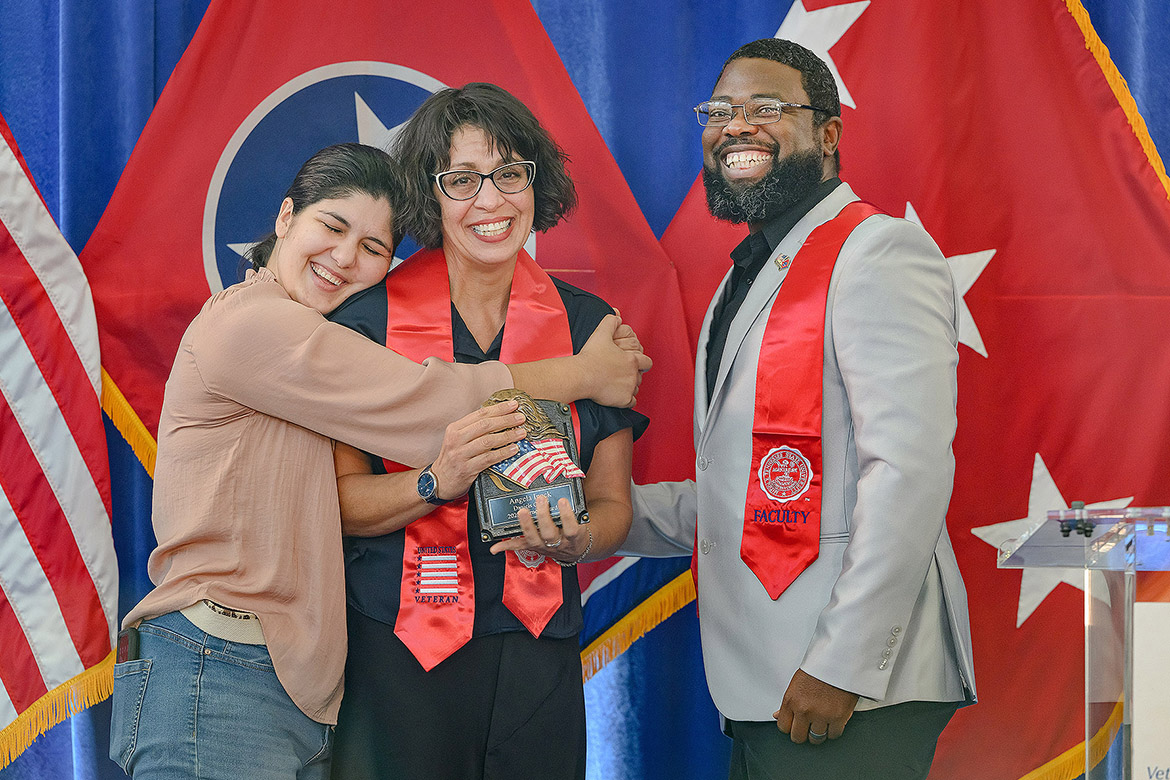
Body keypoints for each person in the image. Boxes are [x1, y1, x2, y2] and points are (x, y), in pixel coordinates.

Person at [108, 143, 649, 780]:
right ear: (286, 217)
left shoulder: (320, 336)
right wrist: (586, 373)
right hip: (217, 662)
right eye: (332, 227)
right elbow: (429, 397)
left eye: (372, 248)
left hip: (291, 676)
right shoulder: (248, 325)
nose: (345, 258)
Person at [618, 39, 976, 779]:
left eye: (767, 108)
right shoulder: (745, 277)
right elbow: (745, 495)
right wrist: (598, 518)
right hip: (762, 685)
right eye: (720, 111)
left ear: (829, 133)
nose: (736, 126)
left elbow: (905, 471)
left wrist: (844, 664)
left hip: (848, 689)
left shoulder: (879, 252)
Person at [326, 83, 646, 780]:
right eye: (462, 180)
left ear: (536, 181)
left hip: (537, 648)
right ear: (428, 194)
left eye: (509, 174)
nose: (491, 201)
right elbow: (339, 504)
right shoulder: (366, 324)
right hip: (397, 649)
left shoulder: (590, 329)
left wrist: (581, 540)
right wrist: (434, 482)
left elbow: (613, 503)